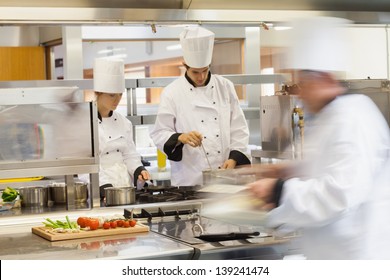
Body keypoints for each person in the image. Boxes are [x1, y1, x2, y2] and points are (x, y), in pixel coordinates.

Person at [247, 17, 390, 259]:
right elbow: (323, 169)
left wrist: (279, 191)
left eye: (304, 84)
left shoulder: (353, 117)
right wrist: (286, 171)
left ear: (325, 79)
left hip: (357, 256)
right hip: (328, 252)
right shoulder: (326, 116)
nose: (300, 93)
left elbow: (340, 194)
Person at [150, 26, 251, 186]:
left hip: (225, 176)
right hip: (189, 179)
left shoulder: (225, 86)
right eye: (196, 72)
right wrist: (180, 137)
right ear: (185, 65)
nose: (201, 77)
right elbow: (159, 133)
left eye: (205, 70)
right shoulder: (172, 92)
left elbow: (239, 129)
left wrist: (233, 159)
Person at [93, 57, 151, 199]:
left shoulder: (123, 122)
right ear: (98, 93)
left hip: (124, 188)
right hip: (99, 190)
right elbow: (86, 166)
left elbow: (130, 154)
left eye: (120, 95)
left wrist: (139, 170)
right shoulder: (85, 122)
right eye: (112, 95)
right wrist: (104, 187)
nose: (117, 100)